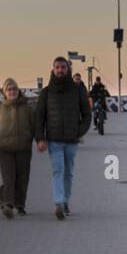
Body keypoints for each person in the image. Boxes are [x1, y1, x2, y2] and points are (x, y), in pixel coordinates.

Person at [34, 56, 92, 219]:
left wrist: (79, 131)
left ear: (68, 69)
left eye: (63, 67)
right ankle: (58, 203)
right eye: (57, 67)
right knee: (58, 170)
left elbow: (87, 114)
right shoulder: (46, 92)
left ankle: (65, 201)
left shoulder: (78, 90)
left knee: (68, 173)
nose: (60, 70)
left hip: (72, 140)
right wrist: (40, 138)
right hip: (54, 140)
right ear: (53, 70)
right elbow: (39, 117)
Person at [0, 78, 34, 218]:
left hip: (23, 148)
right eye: (9, 89)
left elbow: (34, 126)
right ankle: (7, 204)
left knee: (22, 178)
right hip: (4, 149)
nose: (12, 92)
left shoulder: (27, 108)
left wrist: (37, 139)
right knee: (8, 177)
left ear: (18, 91)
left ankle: (20, 205)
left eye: (14, 89)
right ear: (4, 92)